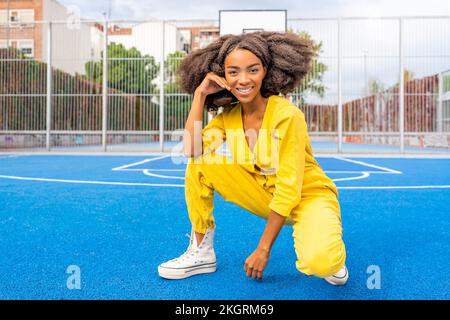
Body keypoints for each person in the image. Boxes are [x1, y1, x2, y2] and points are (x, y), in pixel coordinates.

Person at [158, 31, 348, 285]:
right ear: (224, 76)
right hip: (264, 194)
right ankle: (201, 250)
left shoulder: (287, 116)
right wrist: (200, 95)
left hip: (307, 195)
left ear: (265, 72)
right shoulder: (229, 117)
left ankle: (328, 249)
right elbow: (192, 151)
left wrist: (263, 249)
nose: (243, 79)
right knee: (201, 161)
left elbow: (289, 189)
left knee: (322, 263)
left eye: (253, 70)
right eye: (233, 71)